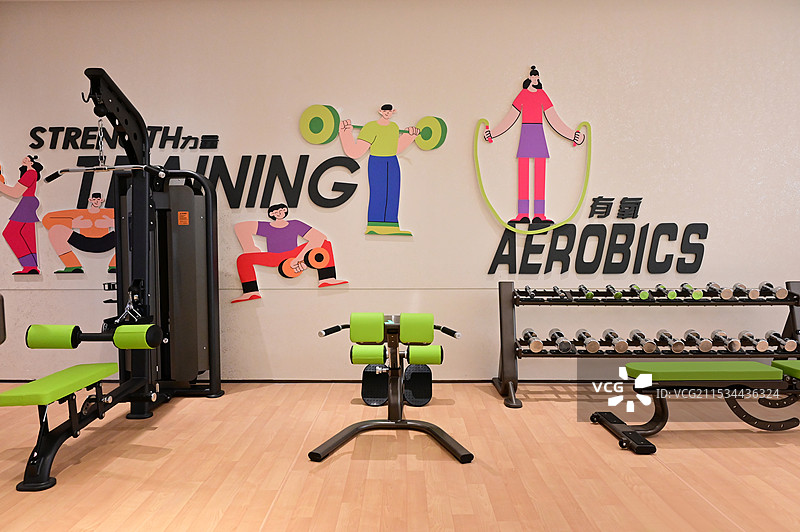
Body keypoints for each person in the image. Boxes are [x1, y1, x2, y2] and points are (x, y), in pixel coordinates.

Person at [484, 66, 585, 224]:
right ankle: (523, 213)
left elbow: (553, 118)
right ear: (530, 78)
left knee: (539, 176)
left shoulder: (542, 95)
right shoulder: (523, 95)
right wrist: (493, 133)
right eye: (533, 76)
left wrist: (573, 135)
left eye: (537, 77)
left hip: (538, 135)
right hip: (526, 135)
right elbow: (511, 117)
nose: (535, 79)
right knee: (523, 175)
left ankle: (539, 214)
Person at [231, 203, 347, 303]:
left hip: (294, 253)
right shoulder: (266, 226)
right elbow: (240, 227)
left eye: (281, 210)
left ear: (285, 211)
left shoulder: (295, 224)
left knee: (325, 244)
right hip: (273, 257)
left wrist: (301, 258)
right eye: (275, 212)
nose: (279, 213)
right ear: (271, 214)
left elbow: (319, 237)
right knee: (243, 259)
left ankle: (327, 279)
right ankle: (251, 292)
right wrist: (249, 247)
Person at [339, 104, 419, 235]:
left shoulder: (394, 127)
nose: (387, 113)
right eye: (385, 111)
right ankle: (374, 225)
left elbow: (395, 148)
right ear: (380, 111)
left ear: (393, 112)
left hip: (392, 161)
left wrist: (410, 137)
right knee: (379, 192)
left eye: (389, 111)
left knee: (393, 192)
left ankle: (392, 225)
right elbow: (355, 151)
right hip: (377, 161)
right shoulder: (371, 127)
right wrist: (345, 133)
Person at [42, 192, 117, 273]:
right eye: (94, 199)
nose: (96, 201)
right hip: (84, 242)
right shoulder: (80, 213)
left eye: (98, 199)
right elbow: (47, 219)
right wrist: (73, 223)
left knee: (125, 232)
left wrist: (111, 222)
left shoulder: (108, 212)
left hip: (106, 241)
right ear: (90, 200)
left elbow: (127, 218)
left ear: (101, 200)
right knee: (55, 230)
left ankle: (115, 264)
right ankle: (72, 265)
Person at [0, 155, 43, 274]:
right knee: (26, 234)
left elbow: (15, 193)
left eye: (27, 159)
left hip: (27, 203)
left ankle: (29, 265)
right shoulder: (30, 173)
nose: (24, 159)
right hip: (29, 202)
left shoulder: (30, 173)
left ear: (32, 163)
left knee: (10, 233)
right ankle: (31, 267)